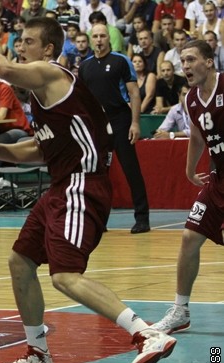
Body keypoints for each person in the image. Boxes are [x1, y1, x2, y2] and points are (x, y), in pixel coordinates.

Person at [0, 7, 176, 363]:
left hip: (82, 184)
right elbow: (38, 148)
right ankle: (39, 354)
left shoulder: (52, 74)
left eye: (28, 42)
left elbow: (5, 71)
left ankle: (146, 333)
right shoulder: (43, 97)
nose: (21, 48)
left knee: (65, 276)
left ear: (48, 50)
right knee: (20, 262)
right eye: (20, 42)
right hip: (61, 188)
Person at [151, 40, 224, 335]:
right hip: (218, 178)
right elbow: (196, 133)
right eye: (183, 60)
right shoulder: (191, 99)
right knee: (189, 237)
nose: (186, 66)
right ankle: (180, 310)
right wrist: (189, 168)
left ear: (209, 62)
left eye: (192, 59)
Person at [80, 24, 151, 234]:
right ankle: (98, 220)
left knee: (131, 170)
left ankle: (142, 219)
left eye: (102, 36)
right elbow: (83, 100)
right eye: (96, 36)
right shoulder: (85, 66)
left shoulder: (121, 61)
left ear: (108, 39)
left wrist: (135, 123)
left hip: (120, 120)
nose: (99, 39)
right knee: (98, 174)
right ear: (91, 39)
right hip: (97, 125)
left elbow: (134, 93)